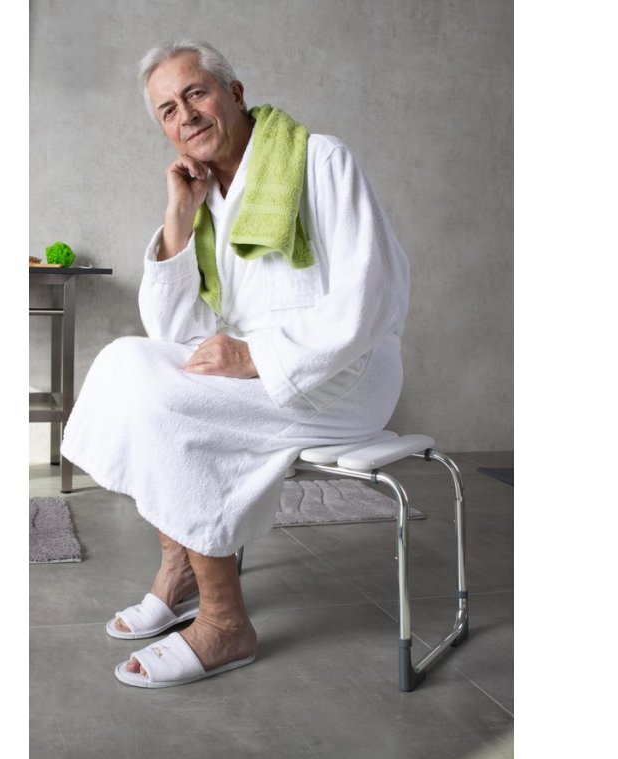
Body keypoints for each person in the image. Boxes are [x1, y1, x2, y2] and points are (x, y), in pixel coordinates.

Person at [60, 39, 411, 689]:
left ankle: (224, 621)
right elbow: (174, 333)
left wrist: (254, 353)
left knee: (167, 403)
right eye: (167, 110)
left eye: (195, 93)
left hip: (345, 375)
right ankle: (180, 570)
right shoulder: (206, 196)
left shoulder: (318, 160)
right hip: (266, 376)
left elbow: (373, 295)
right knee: (125, 361)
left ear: (235, 92)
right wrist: (179, 215)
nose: (185, 115)